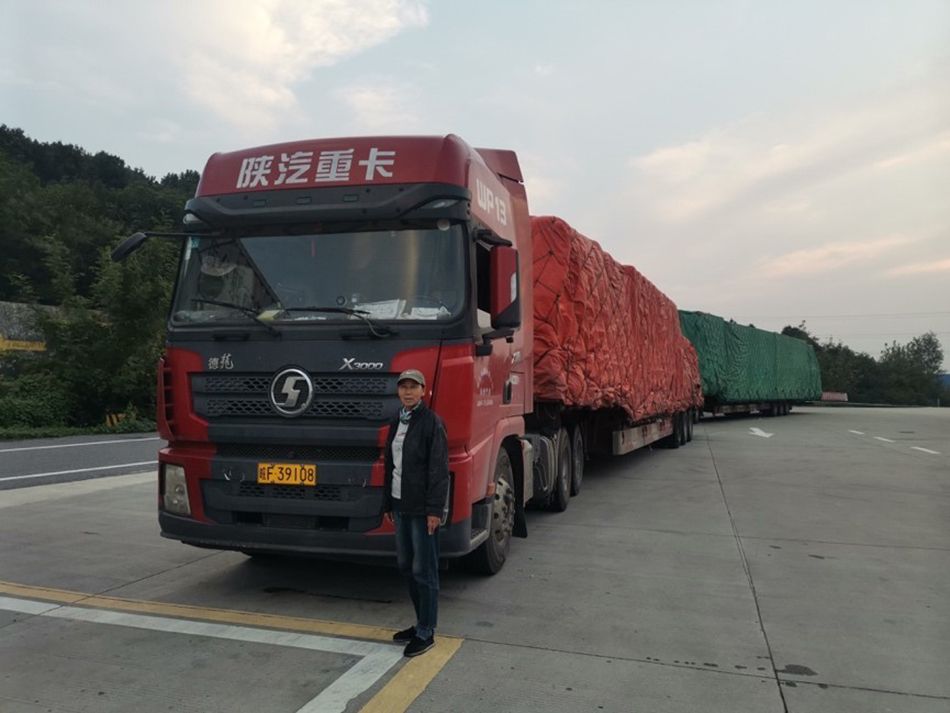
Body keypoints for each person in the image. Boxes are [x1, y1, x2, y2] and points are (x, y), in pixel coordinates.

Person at [383, 368, 449, 657]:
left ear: (424, 390)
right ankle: (420, 622)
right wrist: (387, 503)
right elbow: (391, 465)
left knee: (425, 569)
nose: (408, 392)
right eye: (403, 387)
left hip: (422, 509)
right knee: (407, 566)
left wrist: (434, 510)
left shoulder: (432, 422)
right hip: (400, 505)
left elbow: (438, 469)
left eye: (413, 386)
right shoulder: (396, 420)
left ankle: (427, 631)